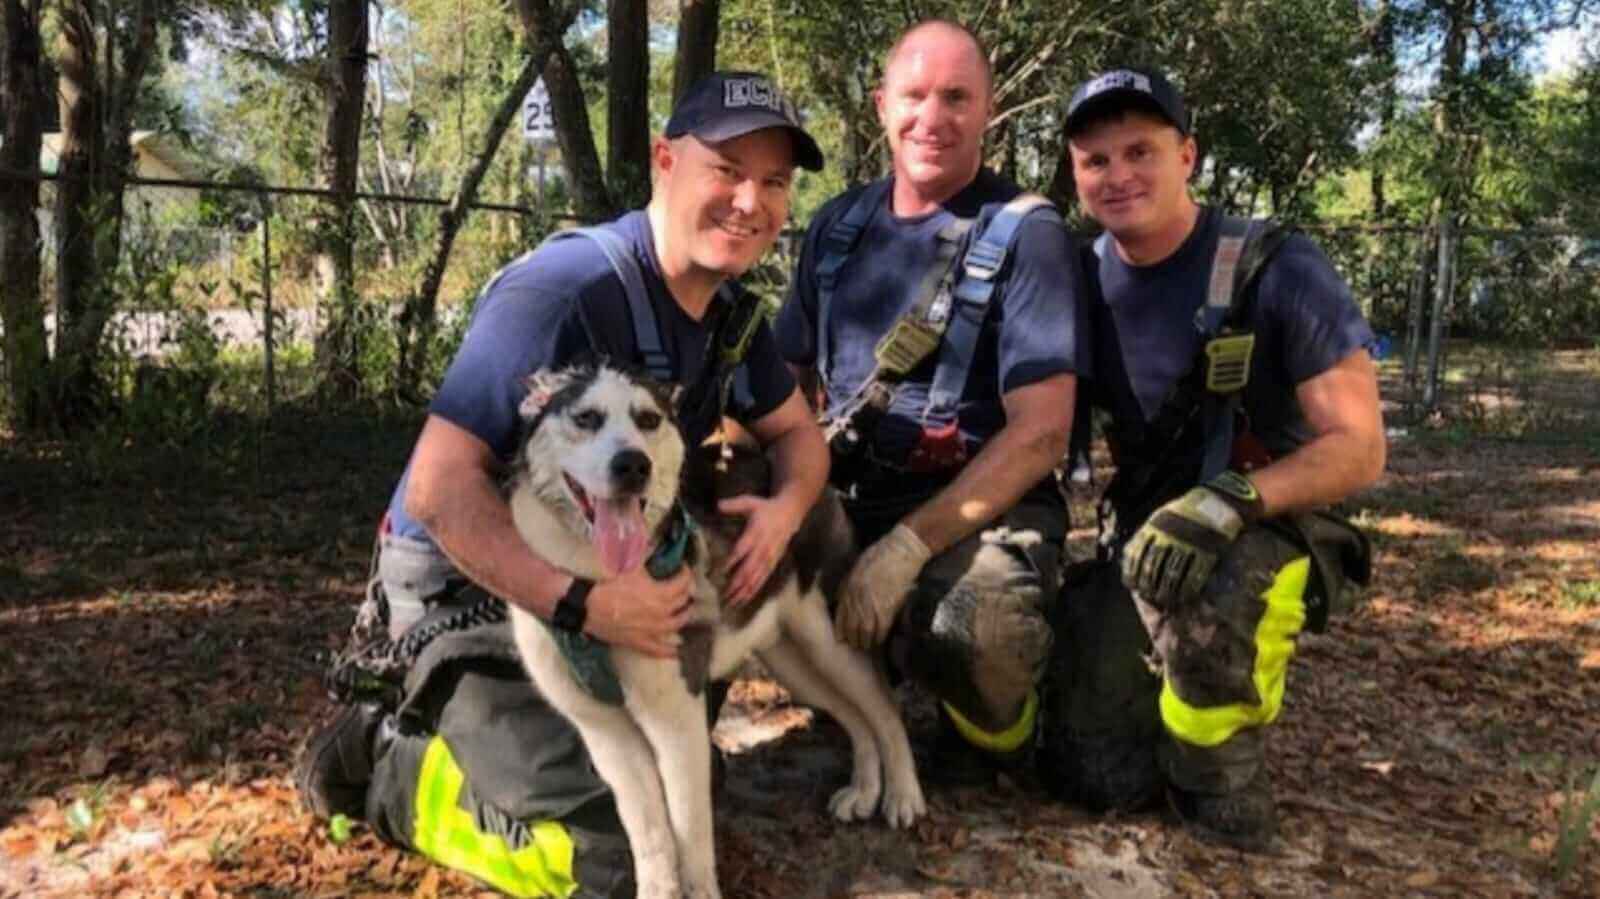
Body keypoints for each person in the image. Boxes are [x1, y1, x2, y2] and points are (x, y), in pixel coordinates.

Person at [295, 71, 829, 898]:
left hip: (610, 581)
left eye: (774, 182)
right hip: (469, 590)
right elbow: (438, 489)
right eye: (726, 169)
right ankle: (392, 760)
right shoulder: (562, 292)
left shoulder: (729, 316)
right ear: (664, 162)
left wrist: (786, 512)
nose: (749, 200)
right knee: (613, 862)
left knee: (689, 794)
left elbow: (799, 436)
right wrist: (581, 603)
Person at [1041, 67, 1385, 851]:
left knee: (1213, 609)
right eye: (1096, 160)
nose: (1118, 175)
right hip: (1147, 526)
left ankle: (1223, 782)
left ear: (1187, 154)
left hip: (1277, 521)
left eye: (1141, 151)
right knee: (1091, 774)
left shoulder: (1276, 264)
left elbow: (1360, 447)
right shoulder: (1080, 277)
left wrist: (1230, 500)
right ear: (1076, 174)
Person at [775, 19, 1086, 780]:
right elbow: (783, 392)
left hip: (979, 509)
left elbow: (1043, 435)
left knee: (973, 628)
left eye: (956, 97)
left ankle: (995, 736)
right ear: (882, 104)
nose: (932, 118)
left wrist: (908, 548)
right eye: (914, 95)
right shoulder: (836, 226)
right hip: (849, 494)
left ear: (989, 108)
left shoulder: (1029, 235)